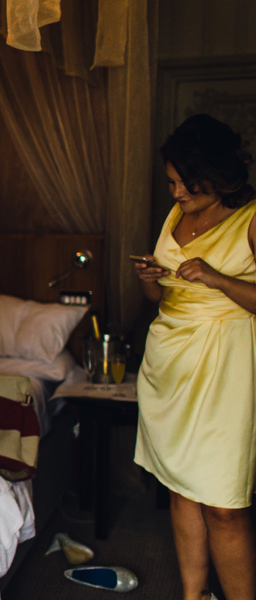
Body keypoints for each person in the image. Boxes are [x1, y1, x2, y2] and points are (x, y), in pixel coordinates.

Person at [133, 113, 256, 600]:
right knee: (181, 487)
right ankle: (193, 596)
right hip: (169, 363)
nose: (177, 193)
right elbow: (160, 301)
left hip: (224, 367)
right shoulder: (174, 217)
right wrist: (150, 281)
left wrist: (218, 278)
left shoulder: (249, 220)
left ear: (219, 174)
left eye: (186, 183)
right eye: (171, 183)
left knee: (225, 504)